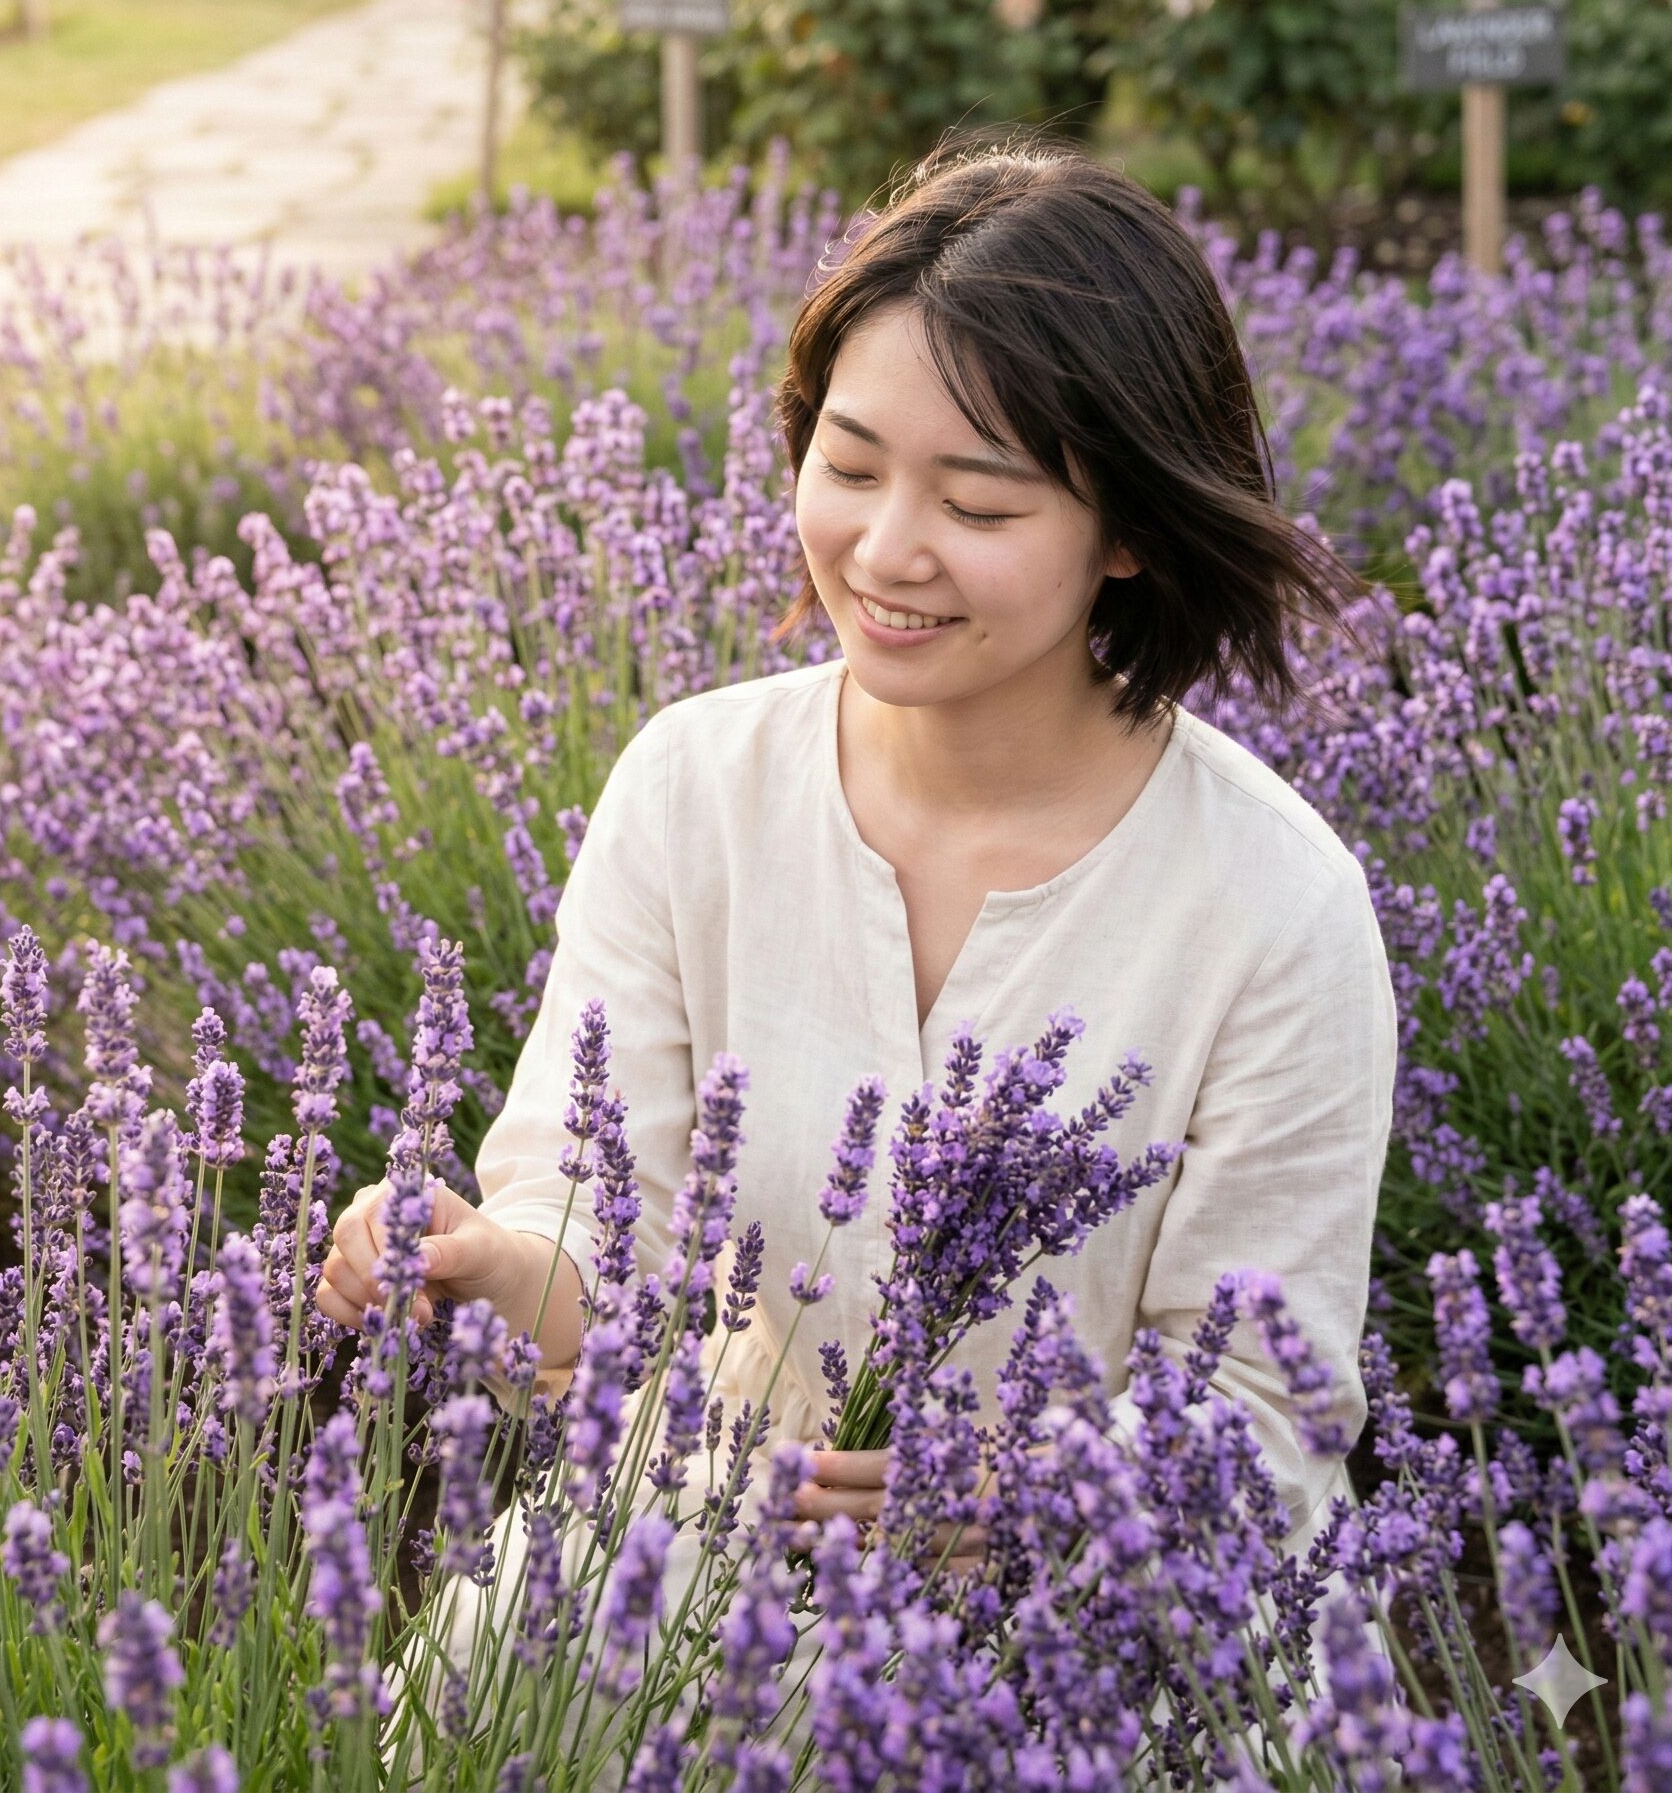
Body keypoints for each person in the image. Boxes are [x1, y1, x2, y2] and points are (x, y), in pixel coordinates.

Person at [319, 133, 1401, 1781]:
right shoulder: (696, 788)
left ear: (1128, 528)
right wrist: (489, 1261)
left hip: (1115, 1633)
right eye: (849, 461)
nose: (886, 548)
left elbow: (1268, 1421)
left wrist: (1042, 1495)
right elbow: (600, 1203)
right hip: (703, 1558)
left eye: (978, 501)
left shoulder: (1274, 907)